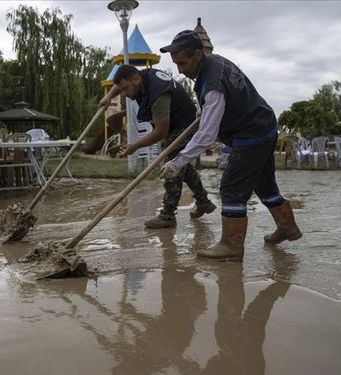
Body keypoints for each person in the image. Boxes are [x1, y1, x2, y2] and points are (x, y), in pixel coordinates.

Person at [158, 30, 301, 260]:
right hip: (264, 125)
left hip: (251, 133)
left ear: (198, 54)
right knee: (265, 185)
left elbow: (206, 136)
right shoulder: (214, 63)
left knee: (232, 188)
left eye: (182, 63)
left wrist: (178, 162)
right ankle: (288, 227)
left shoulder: (213, 83)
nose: (180, 70)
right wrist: (204, 109)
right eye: (175, 64)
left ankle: (231, 246)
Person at [99, 64, 216, 228]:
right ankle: (204, 202)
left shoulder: (158, 95)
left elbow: (160, 133)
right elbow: (120, 85)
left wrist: (135, 146)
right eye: (121, 90)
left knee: (172, 167)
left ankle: (168, 215)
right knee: (182, 165)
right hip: (174, 122)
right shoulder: (139, 77)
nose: (124, 94)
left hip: (184, 125)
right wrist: (108, 97)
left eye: (125, 89)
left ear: (136, 80)